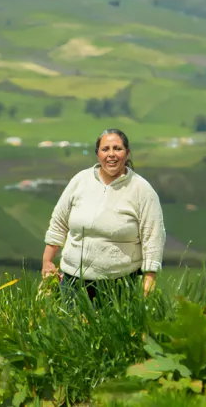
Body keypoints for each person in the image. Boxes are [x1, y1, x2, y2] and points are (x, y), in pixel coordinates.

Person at [41, 128, 166, 301]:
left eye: (118, 149)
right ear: (98, 154)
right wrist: (47, 261)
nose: (111, 154)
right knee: (72, 327)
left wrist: (149, 278)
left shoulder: (142, 189)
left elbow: (153, 236)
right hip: (72, 282)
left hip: (120, 284)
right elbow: (59, 222)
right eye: (105, 149)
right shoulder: (80, 181)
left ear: (127, 153)